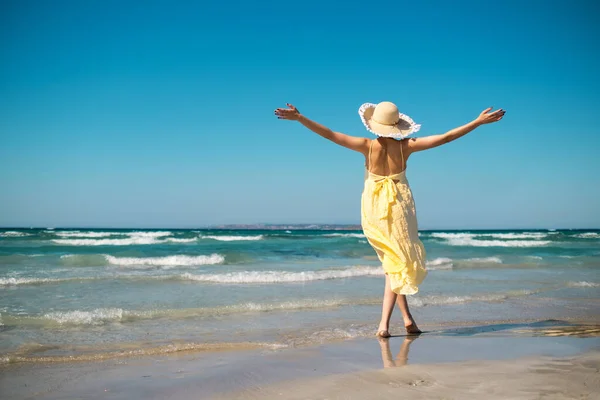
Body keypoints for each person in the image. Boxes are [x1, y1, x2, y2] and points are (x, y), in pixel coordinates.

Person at [274, 101, 505, 337]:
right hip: (400, 209)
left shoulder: (366, 146)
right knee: (397, 265)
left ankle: (407, 320)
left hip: (374, 210)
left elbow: (331, 135)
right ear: (397, 126)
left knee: (394, 265)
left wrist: (301, 118)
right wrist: (477, 122)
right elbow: (445, 138)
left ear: (374, 125)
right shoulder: (407, 147)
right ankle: (384, 325)